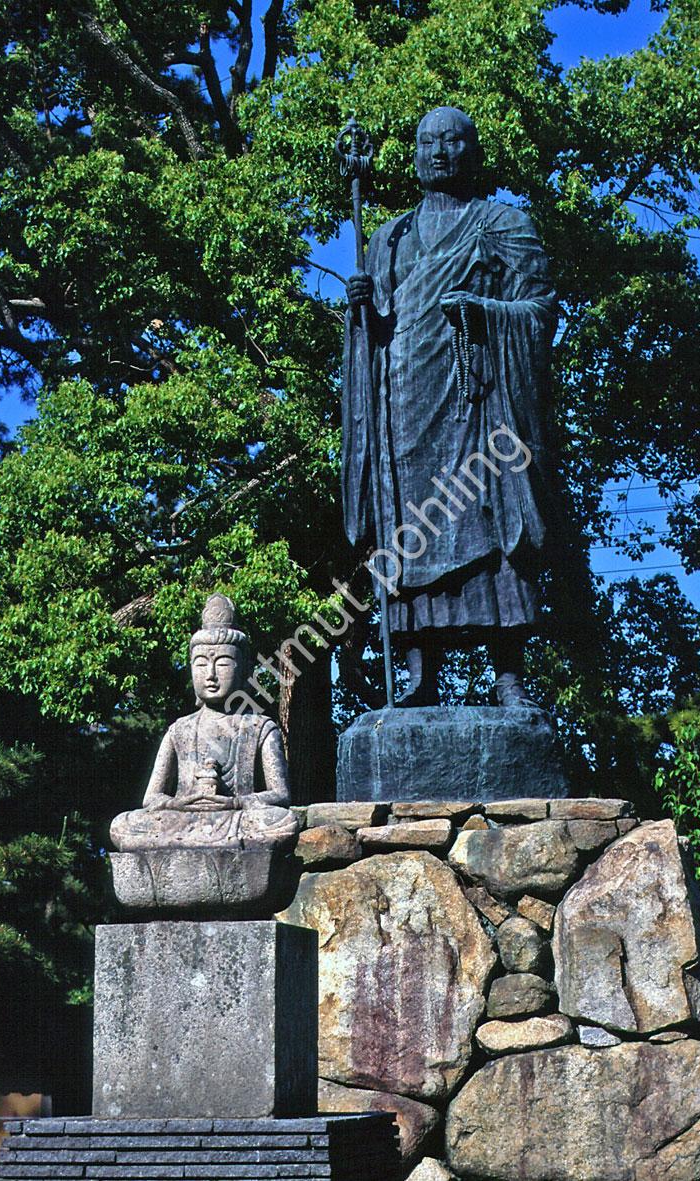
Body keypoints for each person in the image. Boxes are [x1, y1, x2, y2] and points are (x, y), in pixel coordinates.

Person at [342, 106, 557, 707]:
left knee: (492, 524)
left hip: (479, 403)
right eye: (427, 141)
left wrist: (485, 312)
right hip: (404, 406)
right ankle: (420, 674)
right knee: (410, 532)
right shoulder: (389, 240)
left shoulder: (502, 224)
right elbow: (377, 333)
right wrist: (360, 313)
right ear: (412, 155)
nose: (439, 151)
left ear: (474, 153)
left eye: (453, 141)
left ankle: (509, 675)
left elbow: (540, 311)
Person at [110, 593, 298, 850]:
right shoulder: (180, 730)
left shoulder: (260, 727)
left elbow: (280, 795)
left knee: (281, 821)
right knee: (123, 825)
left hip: (236, 819)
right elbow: (151, 799)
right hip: (182, 821)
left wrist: (234, 803)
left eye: (222, 663)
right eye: (200, 664)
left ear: (244, 671)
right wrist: (180, 803)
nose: (210, 675)